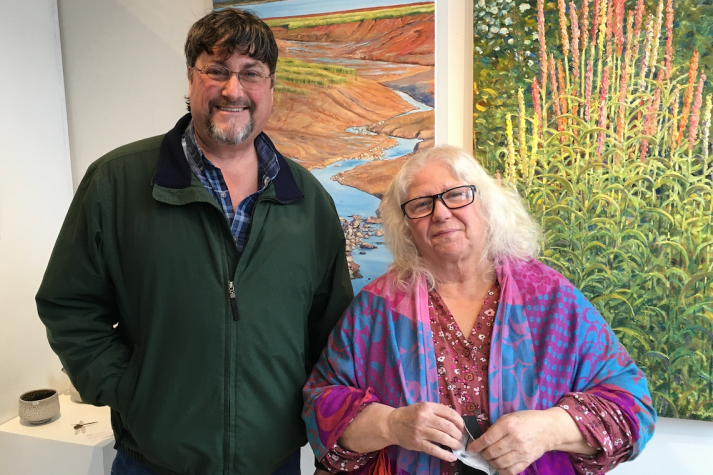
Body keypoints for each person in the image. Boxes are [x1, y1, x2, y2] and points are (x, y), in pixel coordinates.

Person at [36, 8, 353, 475]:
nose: (233, 90)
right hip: (153, 461)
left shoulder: (308, 200)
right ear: (190, 77)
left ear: (270, 88)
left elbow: (332, 329)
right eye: (217, 70)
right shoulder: (117, 183)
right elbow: (69, 307)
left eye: (251, 74)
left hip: (275, 461)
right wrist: (129, 390)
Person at [302, 146, 655, 475]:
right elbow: (320, 405)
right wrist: (391, 425)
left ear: (486, 204)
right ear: (408, 225)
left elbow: (633, 405)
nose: (440, 213)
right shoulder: (378, 308)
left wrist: (550, 429)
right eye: (421, 204)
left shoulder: (550, 298)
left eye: (456, 195)